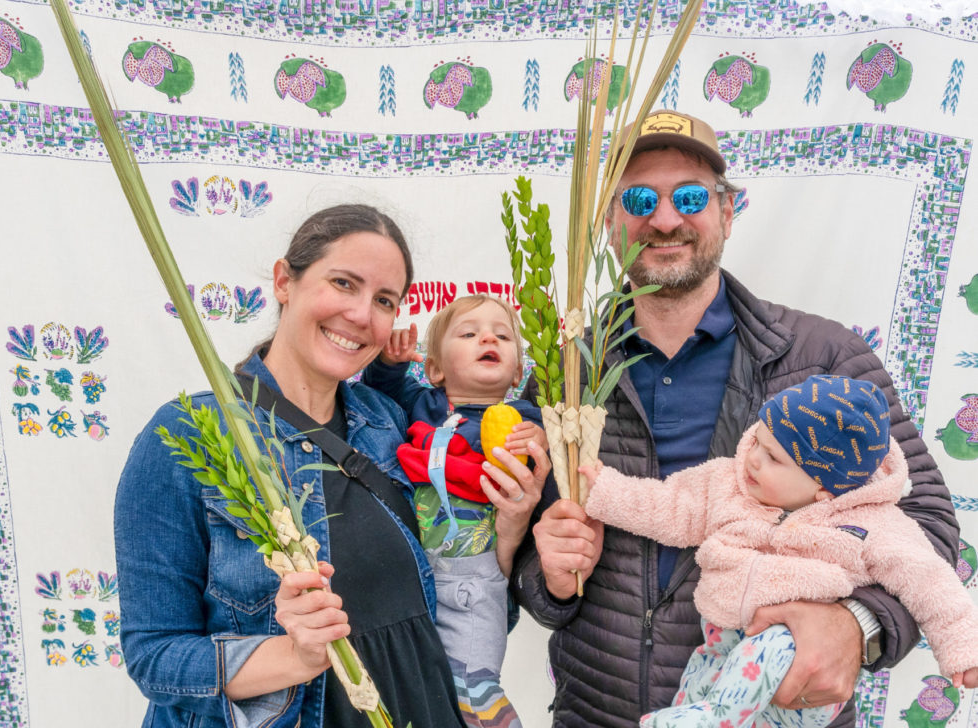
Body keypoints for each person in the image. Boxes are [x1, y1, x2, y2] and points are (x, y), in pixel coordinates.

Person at [509, 110, 960, 728]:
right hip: (598, 713)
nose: (665, 219)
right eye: (639, 198)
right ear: (609, 222)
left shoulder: (825, 359)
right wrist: (549, 579)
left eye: (690, 196)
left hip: (772, 710)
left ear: (727, 211)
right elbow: (527, 551)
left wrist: (858, 625)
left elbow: (926, 522)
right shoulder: (565, 371)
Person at [115, 204, 550, 728]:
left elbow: (472, 606)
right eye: (344, 283)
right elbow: (154, 656)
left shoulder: (393, 423)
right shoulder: (191, 437)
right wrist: (292, 659)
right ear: (284, 281)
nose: (363, 315)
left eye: (384, 300)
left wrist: (509, 529)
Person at [581, 374, 978, 728]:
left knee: (774, 645)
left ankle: (714, 719)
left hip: (799, 667)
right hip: (722, 648)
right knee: (698, 682)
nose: (751, 458)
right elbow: (668, 506)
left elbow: (929, 579)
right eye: (758, 439)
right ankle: (700, 710)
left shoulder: (872, 524)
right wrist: (605, 491)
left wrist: (964, 647)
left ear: (824, 489)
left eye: (773, 457)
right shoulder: (727, 484)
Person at [362, 294, 548, 728]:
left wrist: (540, 434)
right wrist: (389, 363)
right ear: (434, 369)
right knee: (424, 694)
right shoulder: (425, 405)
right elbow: (383, 388)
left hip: (477, 584)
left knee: (476, 687)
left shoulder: (522, 418)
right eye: (469, 333)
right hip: (414, 581)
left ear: (519, 372)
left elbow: (544, 466)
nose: (489, 337)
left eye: (503, 336)